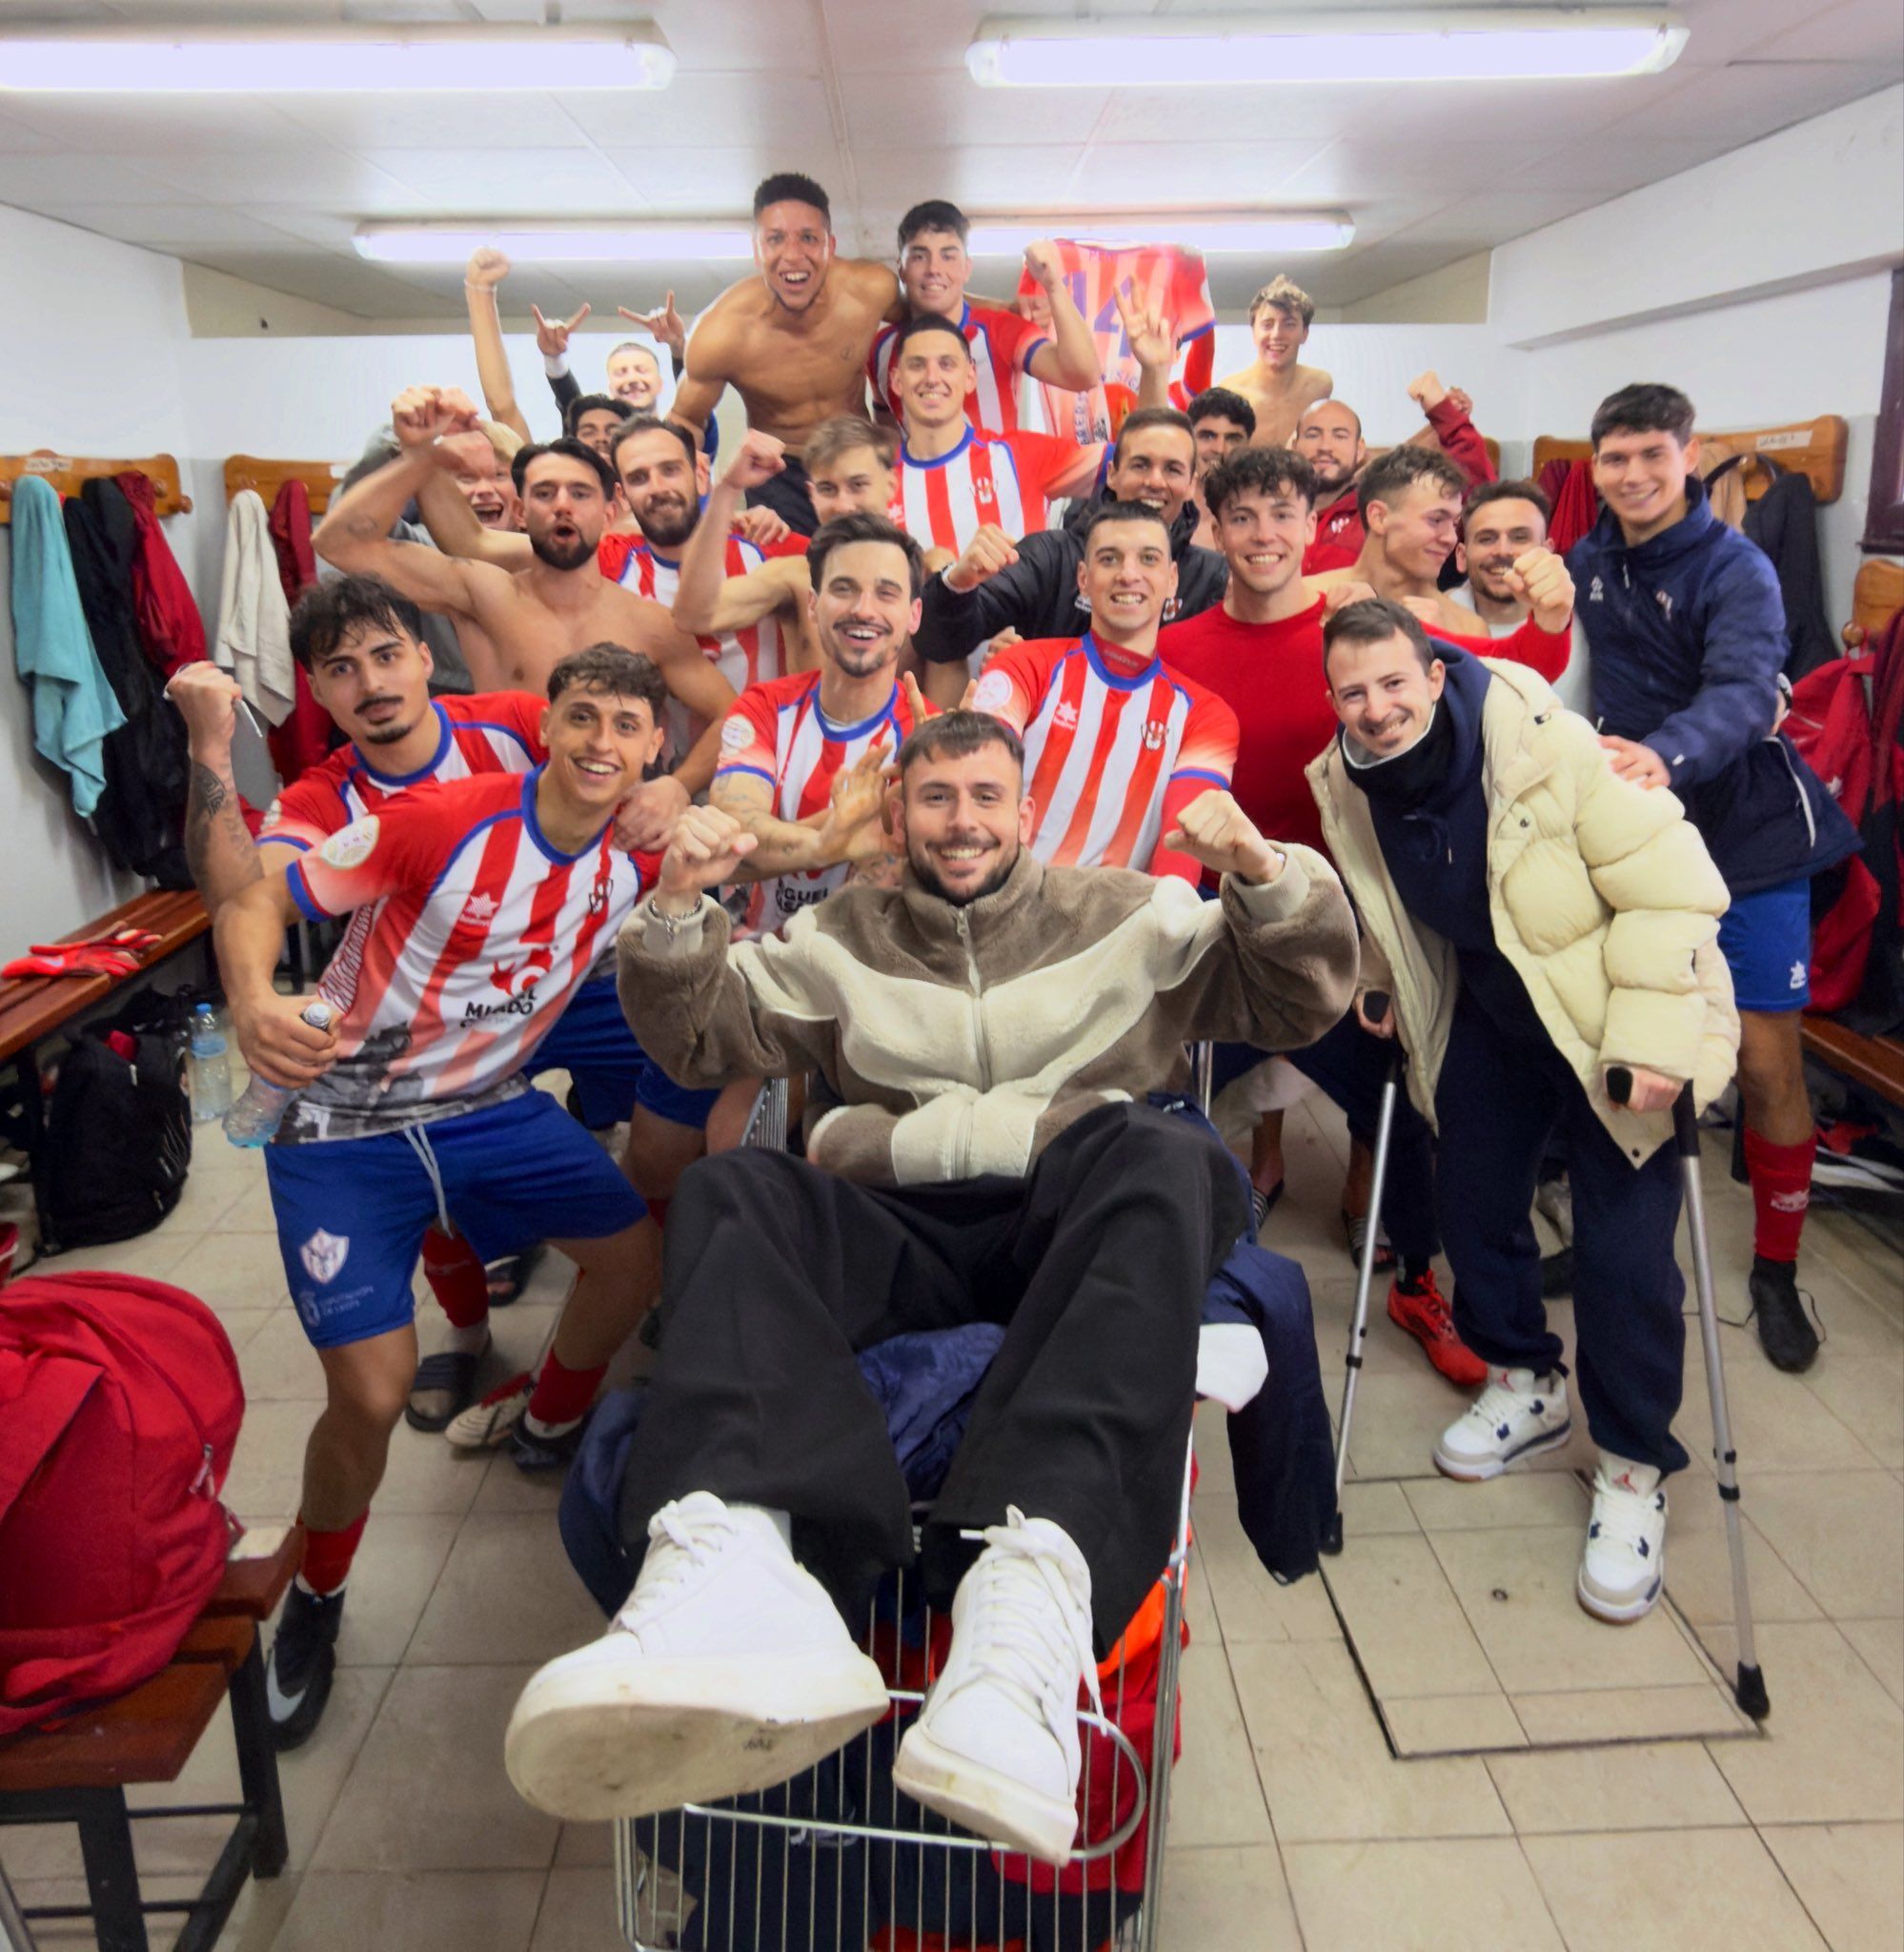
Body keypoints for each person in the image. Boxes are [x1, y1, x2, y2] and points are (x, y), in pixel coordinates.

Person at [500, 708, 1359, 1858]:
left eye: (986, 797)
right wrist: (672, 912)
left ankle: (1025, 1607)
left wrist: (1263, 873)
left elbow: (1297, 998)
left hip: (1071, 1206)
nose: (963, 822)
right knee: (731, 1188)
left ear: (1026, 808)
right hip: (893, 1209)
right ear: (900, 813)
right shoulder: (837, 931)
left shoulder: (1128, 910)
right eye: (939, 798)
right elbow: (705, 1039)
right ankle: (734, 1560)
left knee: (1167, 1150)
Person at [213, 644, 676, 1746]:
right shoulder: (441, 817)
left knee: (631, 1255)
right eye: (580, 717)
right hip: (338, 1125)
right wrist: (248, 1000)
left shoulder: (646, 850)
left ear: (655, 746)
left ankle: (551, 1414)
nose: (601, 743)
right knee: (368, 1398)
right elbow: (255, 896)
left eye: (626, 726)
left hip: (487, 1107)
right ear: (544, 725)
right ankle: (317, 1594)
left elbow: (796, 841)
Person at [1306, 599, 1739, 1623]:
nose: (1376, 709)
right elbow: (1379, 895)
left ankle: (1633, 1465)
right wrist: (1379, 974)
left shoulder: (1546, 745)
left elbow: (1672, 886)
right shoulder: (1346, 780)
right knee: (1473, 1202)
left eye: (1394, 683)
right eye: (1353, 691)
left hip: (1609, 1021)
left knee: (1624, 1256)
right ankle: (1527, 1380)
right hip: (1497, 1017)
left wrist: (1648, 1042)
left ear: (1435, 673)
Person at [1157, 450, 1477, 1378]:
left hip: (1338, 931)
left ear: (1315, 525)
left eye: (1282, 515)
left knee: (1401, 1106)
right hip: (1216, 931)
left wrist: (1386, 943)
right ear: (1214, 530)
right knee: (1162, 1104)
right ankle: (1168, 1274)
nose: (1264, 535)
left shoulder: (1353, 639)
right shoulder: (1177, 650)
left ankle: (1420, 1278)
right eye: (1243, 517)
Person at [1570, 383, 1860, 1372]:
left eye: (1653, 454)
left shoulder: (1738, 568)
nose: (1634, 475)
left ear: (1689, 456)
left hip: (1744, 840)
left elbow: (1746, 691)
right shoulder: (1590, 561)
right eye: (1615, 458)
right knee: (1626, 1040)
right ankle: (1615, 1233)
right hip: (1633, 843)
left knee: (1771, 1063)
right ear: (1596, 468)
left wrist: (1662, 752)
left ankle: (1776, 1267)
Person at [312, 385, 735, 774]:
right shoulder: (482, 594)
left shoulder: (651, 624)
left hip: (611, 827)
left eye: (581, 493)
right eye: (545, 494)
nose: (563, 506)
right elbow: (339, 544)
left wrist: (675, 790)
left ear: (610, 513)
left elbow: (731, 716)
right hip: (501, 813)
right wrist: (423, 456)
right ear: (520, 512)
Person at [966, 501, 1239, 883]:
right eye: (1109, 559)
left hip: (1121, 928)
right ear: (1083, 577)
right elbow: (978, 779)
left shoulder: (1206, 717)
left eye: (1148, 559)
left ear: (1172, 579)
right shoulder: (1025, 666)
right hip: (1006, 904)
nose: (1128, 574)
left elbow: (1178, 857)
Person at [709, 509, 930, 933]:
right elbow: (735, 838)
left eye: (886, 593)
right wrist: (829, 843)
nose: (863, 609)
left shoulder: (927, 731)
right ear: (813, 605)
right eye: (844, 589)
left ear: (914, 614)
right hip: (757, 958)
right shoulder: (765, 707)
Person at [668, 173, 901, 535]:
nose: (793, 256)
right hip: (779, 472)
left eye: (808, 238)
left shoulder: (870, 290)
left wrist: (1009, 308)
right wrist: (688, 499)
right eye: (775, 239)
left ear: (830, 244)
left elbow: (937, 314)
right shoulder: (722, 332)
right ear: (757, 248)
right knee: (786, 584)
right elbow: (684, 423)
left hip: (858, 460)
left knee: (872, 571)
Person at [913, 407, 1224, 666]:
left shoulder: (1213, 577)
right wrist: (957, 583)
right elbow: (939, 645)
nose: (1155, 481)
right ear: (1112, 473)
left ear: (1191, 484)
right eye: (1140, 464)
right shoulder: (1050, 556)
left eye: (1172, 469)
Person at [886, 309, 1171, 556]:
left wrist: (1154, 371)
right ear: (897, 381)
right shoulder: (876, 482)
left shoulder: (1020, 455)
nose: (932, 378)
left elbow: (1135, 459)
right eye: (917, 365)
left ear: (970, 377)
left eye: (946, 364)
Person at [1311, 447, 1573, 668]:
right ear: (1379, 517)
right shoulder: (1311, 597)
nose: (1449, 537)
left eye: (1454, 523)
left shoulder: (1465, 626)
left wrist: (1438, 643)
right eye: (1436, 519)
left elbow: (1518, 683)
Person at [868, 204, 1101, 434]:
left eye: (948, 256)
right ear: (901, 269)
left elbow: (1083, 377)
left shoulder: (1003, 330)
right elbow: (886, 432)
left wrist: (1053, 286)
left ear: (966, 268)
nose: (934, 269)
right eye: (919, 256)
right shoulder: (879, 347)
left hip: (994, 472)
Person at [1298, 374, 1495, 574]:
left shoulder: (1381, 514)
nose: (1325, 446)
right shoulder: (1276, 512)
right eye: (1313, 434)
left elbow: (1481, 503)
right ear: (1295, 445)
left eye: (1340, 436)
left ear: (1359, 450)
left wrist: (1443, 412)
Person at [1449, 478, 1590, 713]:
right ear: (1462, 556)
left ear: (1547, 550)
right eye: (1486, 538)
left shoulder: (1590, 610)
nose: (1503, 550)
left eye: (1520, 537)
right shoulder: (1435, 621)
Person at [1216, 275, 1331, 451]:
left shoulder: (1319, 386)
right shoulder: (1231, 392)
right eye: (1267, 325)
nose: (1277, 334)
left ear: (1305, 333)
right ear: (1254, 332)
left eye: (1289, 324)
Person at [1185, 385, 1256, 547]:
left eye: (1232, 438)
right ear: (1188, 440)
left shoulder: (1263, 508)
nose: (1220, 449)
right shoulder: (1168, 501)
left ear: (1248, 444)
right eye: (1208, 436)